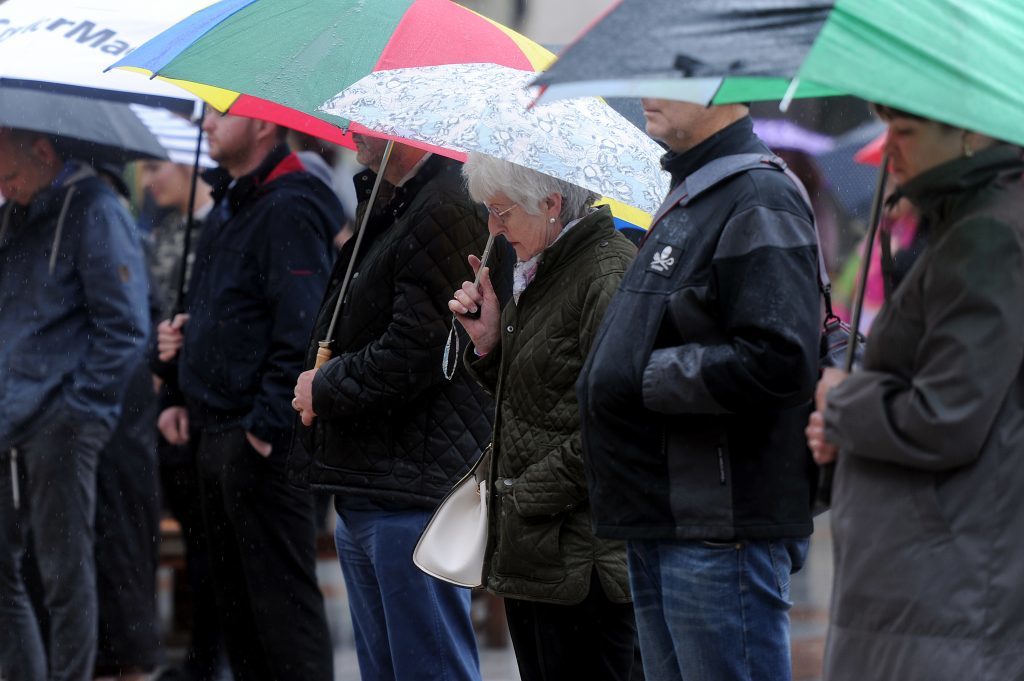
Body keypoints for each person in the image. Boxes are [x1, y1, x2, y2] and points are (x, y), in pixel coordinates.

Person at [577, 101, 821, 681]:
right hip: (665, 516)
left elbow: (780, 358)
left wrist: (642, 376)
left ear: (721, 90)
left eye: (669, 77)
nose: (645, 94)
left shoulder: (757, 196)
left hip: (717, 530)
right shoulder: (696, 191)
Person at [806, 107, 1024, 681]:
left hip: (942, 570)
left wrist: (844, 403)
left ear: (970, 132)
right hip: (931, 569)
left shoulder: (988, 237)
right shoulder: (967, 226)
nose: (890, 149)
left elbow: (945, 414)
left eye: (905, 133)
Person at [289, 134, 496, 681]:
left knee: (428, 668)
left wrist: (325, 387)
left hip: (412, 487)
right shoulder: (392, 196)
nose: (352, 127)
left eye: (367, 115)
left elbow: (416, 351)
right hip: (371, 481)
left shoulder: (447, 203)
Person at [155, 111, 337, 681]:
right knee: (238, 620)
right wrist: (176, 366)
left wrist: (262, 430)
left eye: (222, 111)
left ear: (263, 123)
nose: (206, 123)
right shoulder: (230, 202)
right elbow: (220, 311)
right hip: (213, 434)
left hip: (260, 446)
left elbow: (303, 329)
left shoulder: (291, 205)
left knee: (281, 619)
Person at [448, 154, 638, 681]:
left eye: (502, 211)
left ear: (552, 205)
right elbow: (538, 400)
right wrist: (489, 343)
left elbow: (616, 424)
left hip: (584, 560)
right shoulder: (547, 268)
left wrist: (523, 494)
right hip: (541, 552)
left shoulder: (606, 272)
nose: (493, 226)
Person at [0, 128, 149, 681]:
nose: (5, 188)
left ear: (43, 152)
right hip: (12, 413)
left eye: (9, 176)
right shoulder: (20, 211)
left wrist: (80, 409)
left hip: (61, 419)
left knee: (65, 574)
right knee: (9, 571)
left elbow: (128, 326)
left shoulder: (96, 208)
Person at [138, 158, 225, 681]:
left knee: (210, 542)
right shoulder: (162, 228)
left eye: (154, 169)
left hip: (206, 401)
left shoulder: (218, 222)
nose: (149, 182)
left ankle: (208, 656)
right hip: (169, 398)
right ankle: (198, 653)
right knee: (193, 538)